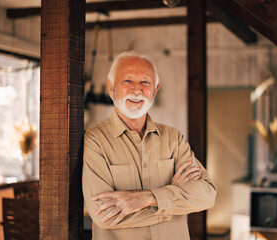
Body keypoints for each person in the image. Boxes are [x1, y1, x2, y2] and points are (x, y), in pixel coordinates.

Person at [82, 51, 216, 240]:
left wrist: (147, 198)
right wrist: (172, 198)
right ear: (110, 87)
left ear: (155, 89)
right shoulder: (95, 140)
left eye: (145, 82)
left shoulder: (173, 138)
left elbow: (207, 194)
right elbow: (104, 215)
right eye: (127, 81)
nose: (137, 90)